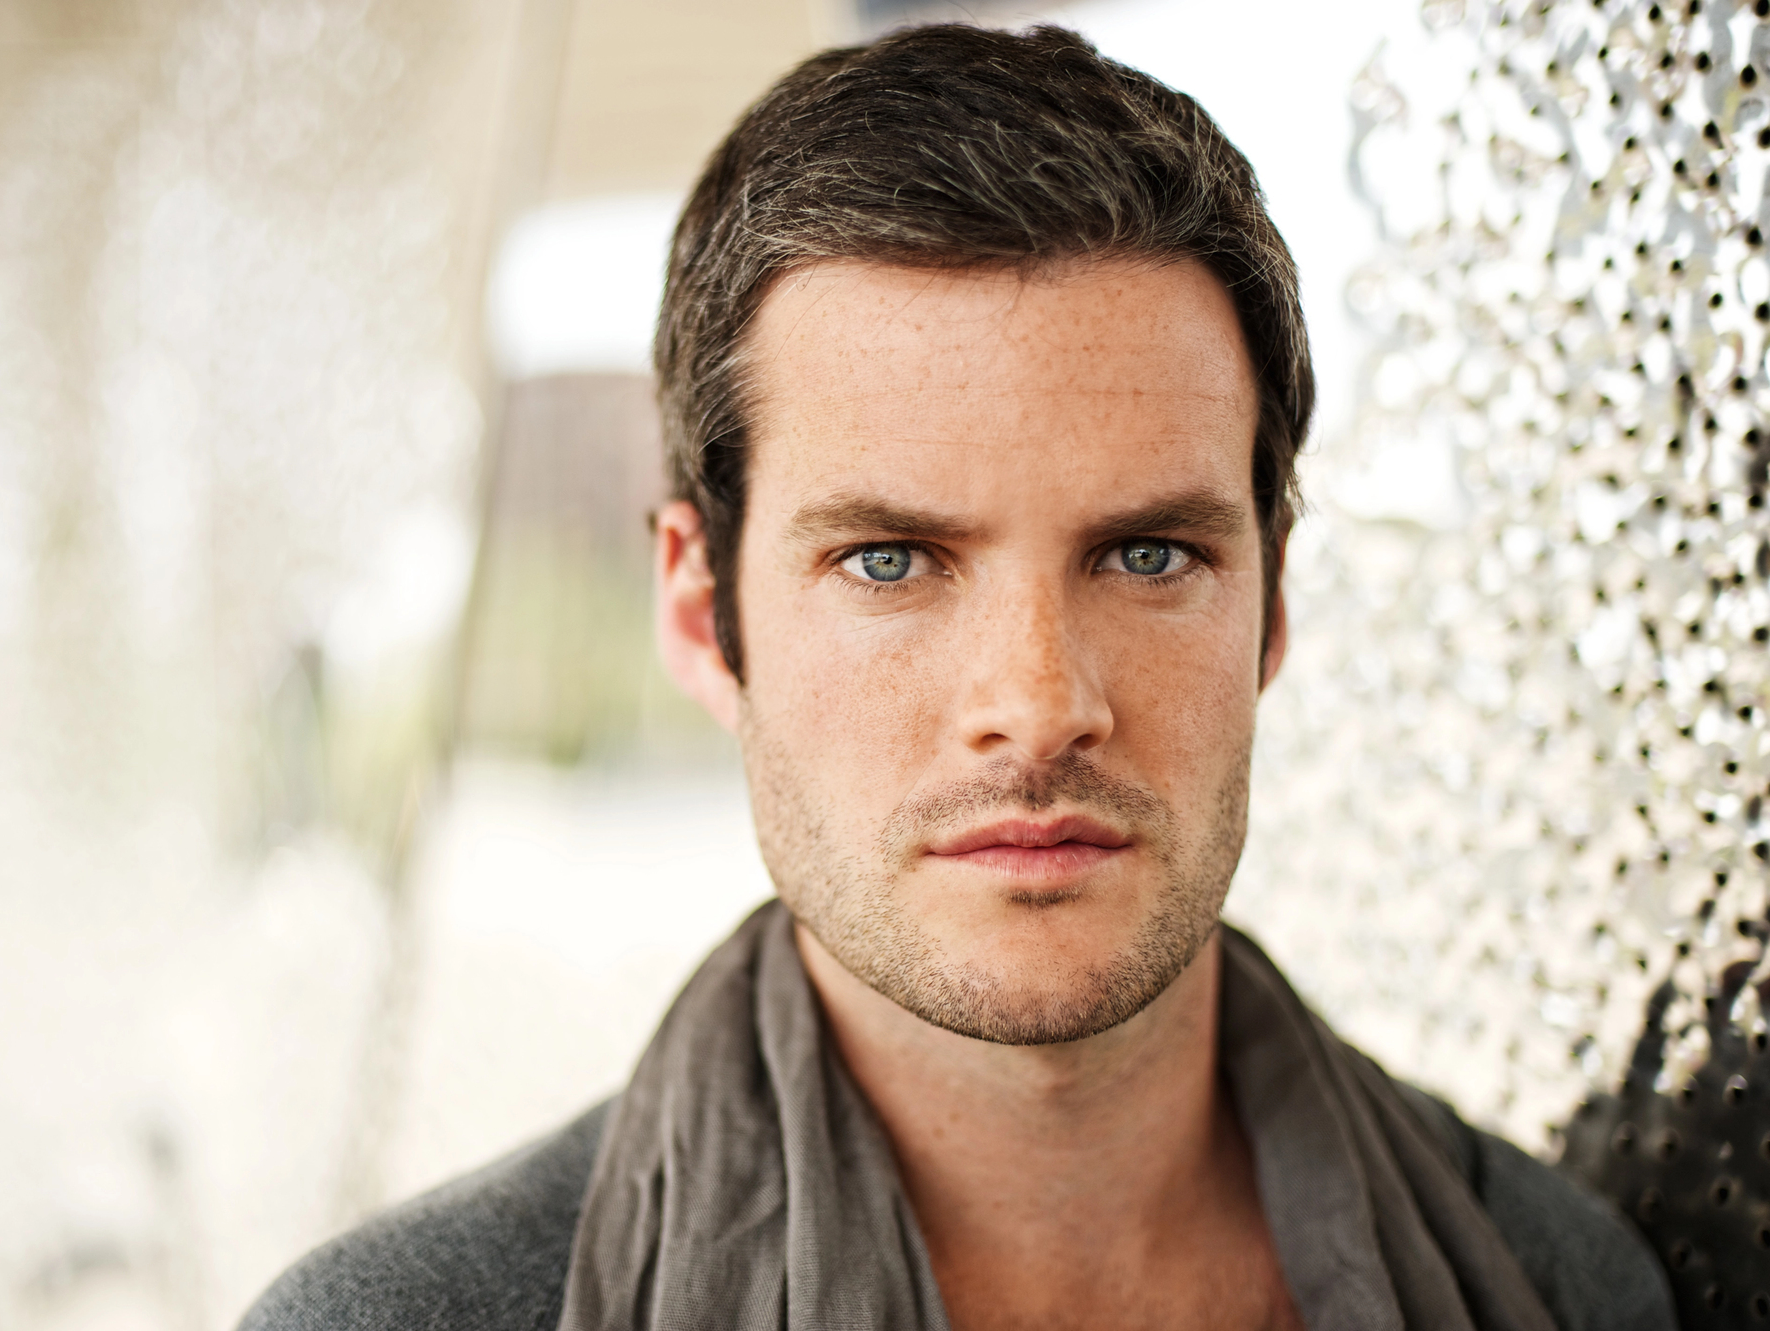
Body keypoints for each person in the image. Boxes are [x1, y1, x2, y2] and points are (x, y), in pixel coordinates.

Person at [244, 23, 1673, 1331]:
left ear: (1275, 603)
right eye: (890, 562)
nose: (1041, 705)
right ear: (700, 613)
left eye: (1149, 556)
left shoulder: (1559, 1286)